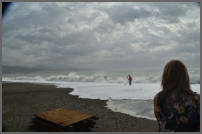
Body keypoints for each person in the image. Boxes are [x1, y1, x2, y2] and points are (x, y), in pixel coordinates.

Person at [154, 59, 200, 132]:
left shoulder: (158, 98)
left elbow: (160, 120)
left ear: (166, 76)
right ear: (185, 77)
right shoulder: (197, 98)